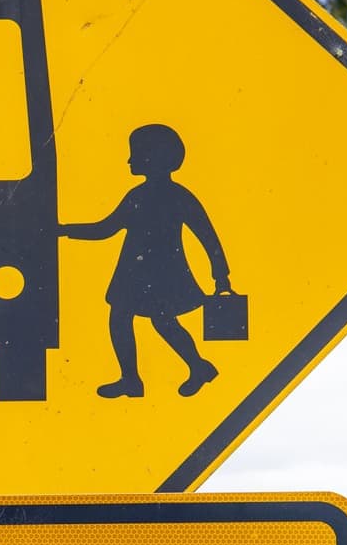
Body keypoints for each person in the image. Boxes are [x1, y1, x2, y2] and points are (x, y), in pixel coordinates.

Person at [59, 124, 232, 398]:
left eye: (135, 154)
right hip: (135, 272)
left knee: (161, 322)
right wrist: (66, 230)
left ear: (154, 158)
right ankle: (133, 379)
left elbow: (207, 236)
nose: (129, 160)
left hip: (162, 273)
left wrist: (220, 275)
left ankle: (196, 367)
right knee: (123, 318)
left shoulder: (179, 197)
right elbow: (106, 228)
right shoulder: (136, 196)